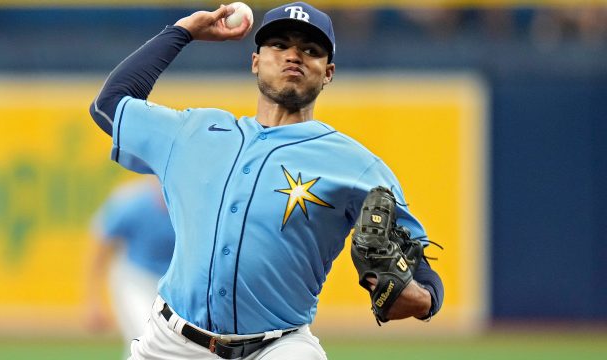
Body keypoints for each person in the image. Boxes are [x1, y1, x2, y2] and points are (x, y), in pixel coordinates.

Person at [89, 2, 444, 359]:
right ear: (255, 61)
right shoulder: (193, 132)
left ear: (328, 72)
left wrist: (412, 295)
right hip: (171, 343)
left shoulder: (358, 166)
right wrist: (182, 32)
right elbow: (110, 104)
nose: (294, 56)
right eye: (279, 45)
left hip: (279, 345)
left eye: (311, 50)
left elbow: (424, 279)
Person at [85, 177, 175, 356]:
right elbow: (100, 245)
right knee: (145, 335)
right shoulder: (132, 202)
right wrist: (92, 301)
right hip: (134, 278)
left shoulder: (188, 208)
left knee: (172, 344)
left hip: (170, 283)